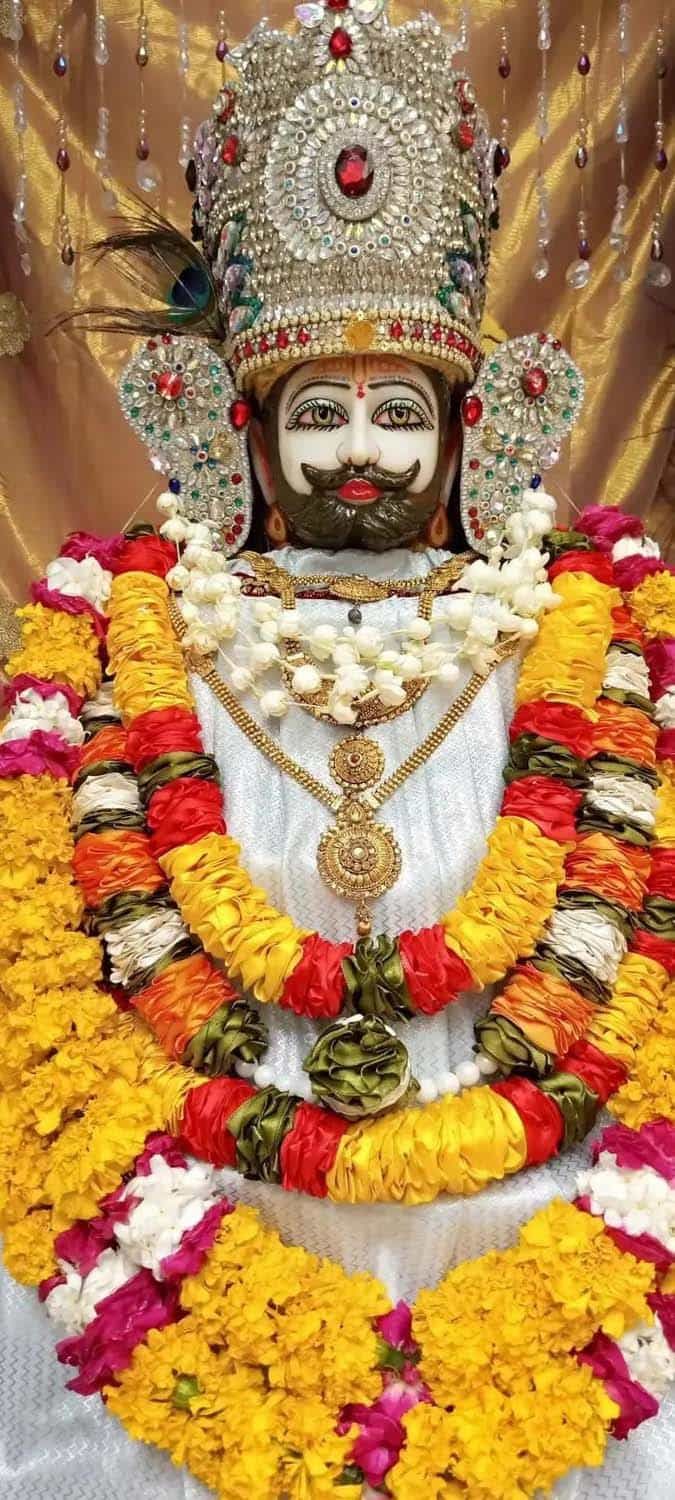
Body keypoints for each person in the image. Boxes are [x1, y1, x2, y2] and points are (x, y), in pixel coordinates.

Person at [1, 3, 674, 1496]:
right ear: (236, 437)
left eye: (394, 415)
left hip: (530, 1194)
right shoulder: (142, 626)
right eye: (319, 415)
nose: (358, 454)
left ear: (468, 430)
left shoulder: (564, 622)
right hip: (205, 1202)